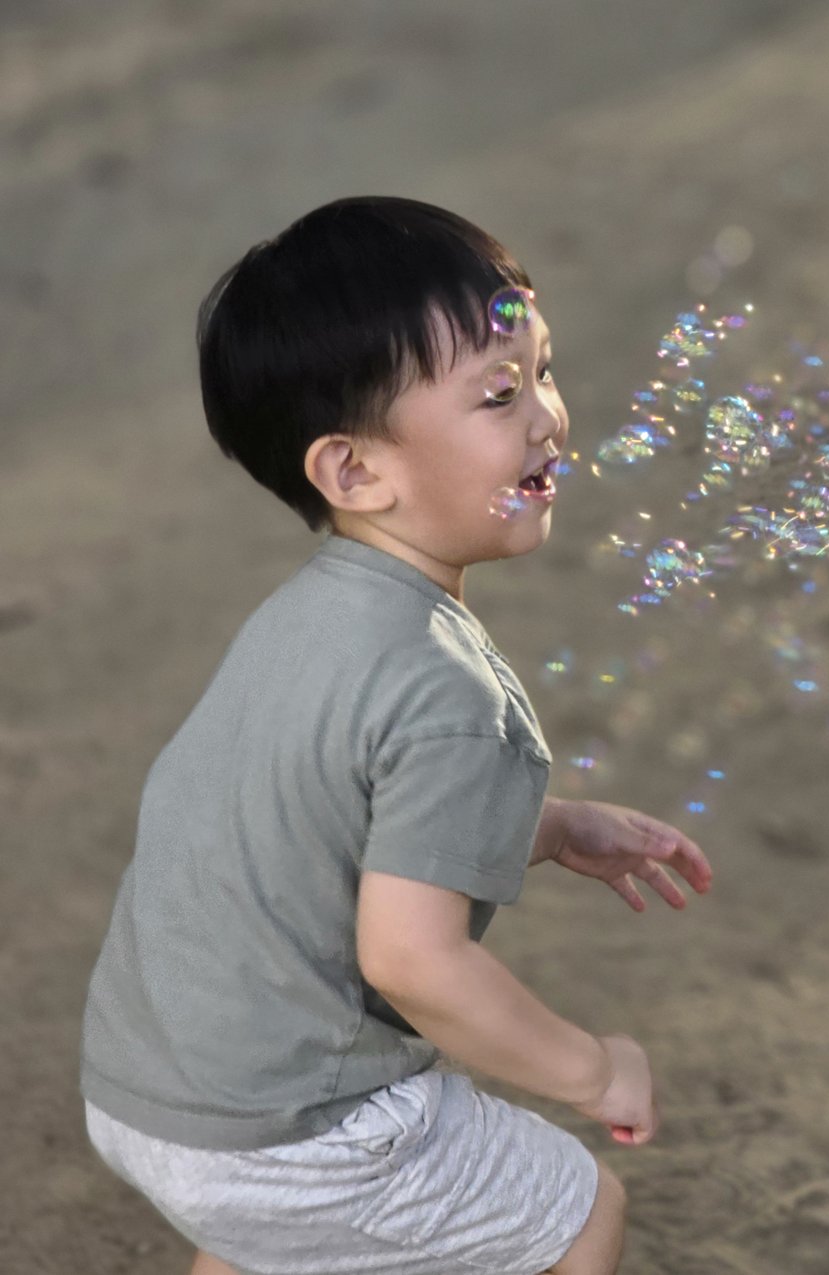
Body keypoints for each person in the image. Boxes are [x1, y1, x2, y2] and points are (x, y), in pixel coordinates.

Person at [78, 196, 713, 1275]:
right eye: (499, 395)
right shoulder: (452, 692)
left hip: (145, 1092)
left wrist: (551, 829)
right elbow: (412, 961)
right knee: (573, 1209)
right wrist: (589, 1071)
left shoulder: (301, 621)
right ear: (355, 471)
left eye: (544, 372)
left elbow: (339, 823)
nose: (550, 418)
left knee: (270, 1230)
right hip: (290, 1130)